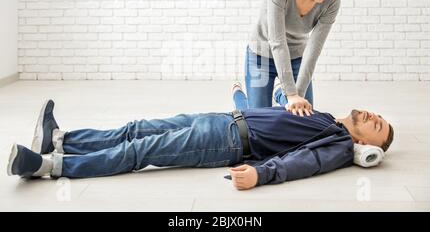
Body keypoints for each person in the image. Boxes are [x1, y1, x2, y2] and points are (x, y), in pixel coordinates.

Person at [7, 93, 394, 190]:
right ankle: (59, 139)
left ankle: (48, 167)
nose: (375, 117)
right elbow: (275, 120)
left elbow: (305, 163)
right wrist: (243, 98)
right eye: (379, 115)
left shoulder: (340, 144)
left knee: (141, 151)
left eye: (379, 127)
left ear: (368, 145)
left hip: (225, 142)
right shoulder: (326, 118)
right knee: (137, 128)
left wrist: (262, 175)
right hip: (224, 119)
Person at [246, 0, 345, 116]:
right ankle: (239, 94)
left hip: (296, 55)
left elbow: (314, 50)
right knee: (257, 118)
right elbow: (277, 42)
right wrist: (291, 94)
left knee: (304, 118)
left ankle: (280, 91)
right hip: (262, 52)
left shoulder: (332, 3)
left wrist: (296, 97)